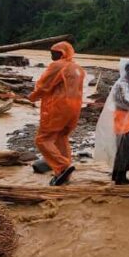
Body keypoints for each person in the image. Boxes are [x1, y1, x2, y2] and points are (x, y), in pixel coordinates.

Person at [29, 42, 86, 186]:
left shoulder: (58, 65)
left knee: (42, 140)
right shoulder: (78, 68)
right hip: (74, 110)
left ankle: (62, 166)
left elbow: (43, 86)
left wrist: (31, 97)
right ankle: (63, 175)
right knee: (62, 137)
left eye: (54, 52)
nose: (51, 55)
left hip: (57, 109)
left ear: (62, 53)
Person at [95, 59, 129, 185]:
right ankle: (119, 177)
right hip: (123, 121)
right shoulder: (123, 84)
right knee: (124, 150)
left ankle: (119, 175)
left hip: (128, 119)